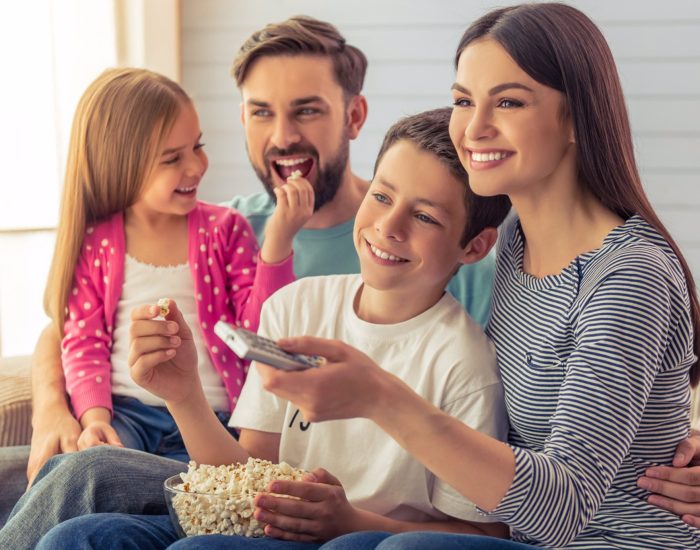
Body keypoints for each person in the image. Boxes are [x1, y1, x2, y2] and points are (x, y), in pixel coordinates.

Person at [0, 17, 496, 548]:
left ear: (354, 116)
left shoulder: (459, 280)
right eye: (262, 112)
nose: (283, 135)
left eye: (306, 109)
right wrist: (58, 408)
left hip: (230, 464)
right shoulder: (220, 226)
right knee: (27, 481)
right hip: (217, 458)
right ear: (242, 117)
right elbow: (75, 322)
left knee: (87, 477)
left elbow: (479, 494)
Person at [251, 4, 700, 548]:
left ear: (578, 116)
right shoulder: (515, 239)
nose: (473, 127)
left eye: (508, 101)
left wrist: (382, 398)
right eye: (464, 100)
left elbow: (561, 509)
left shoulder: (629, 275)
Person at [41, 66, 311, 460]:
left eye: (197, 146)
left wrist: (278, 241)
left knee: (188, 495)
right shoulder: (96, 243)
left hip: (212, 421)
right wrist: (94, 419)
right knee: (93, 470)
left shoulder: (225, 229)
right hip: (125, 418)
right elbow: (84, 342)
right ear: (121, 166)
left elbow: (259, 334)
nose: (196, 166)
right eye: (172, 159)